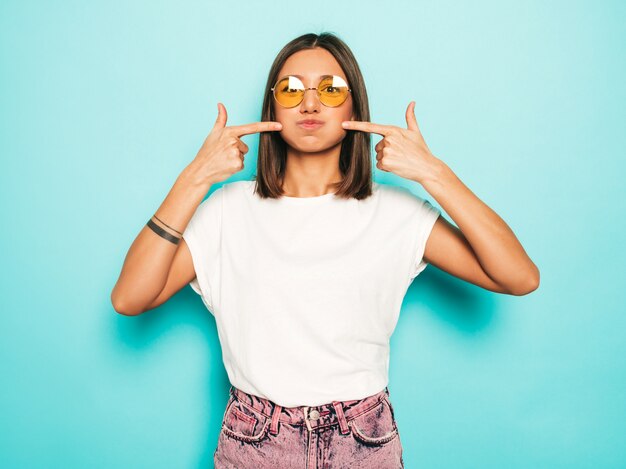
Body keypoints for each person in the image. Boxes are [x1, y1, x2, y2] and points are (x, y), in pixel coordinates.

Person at [111, 32, 539, 469]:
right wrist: (193, 180)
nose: (310, 104)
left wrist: (433, 173)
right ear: (272, 104)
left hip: (363, 443)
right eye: (292, 89)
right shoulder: (226, 210)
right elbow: (130, 298)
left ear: (354, 105)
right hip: (256, 441)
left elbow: (518, 276)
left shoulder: (395, 213)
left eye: (330, 89)